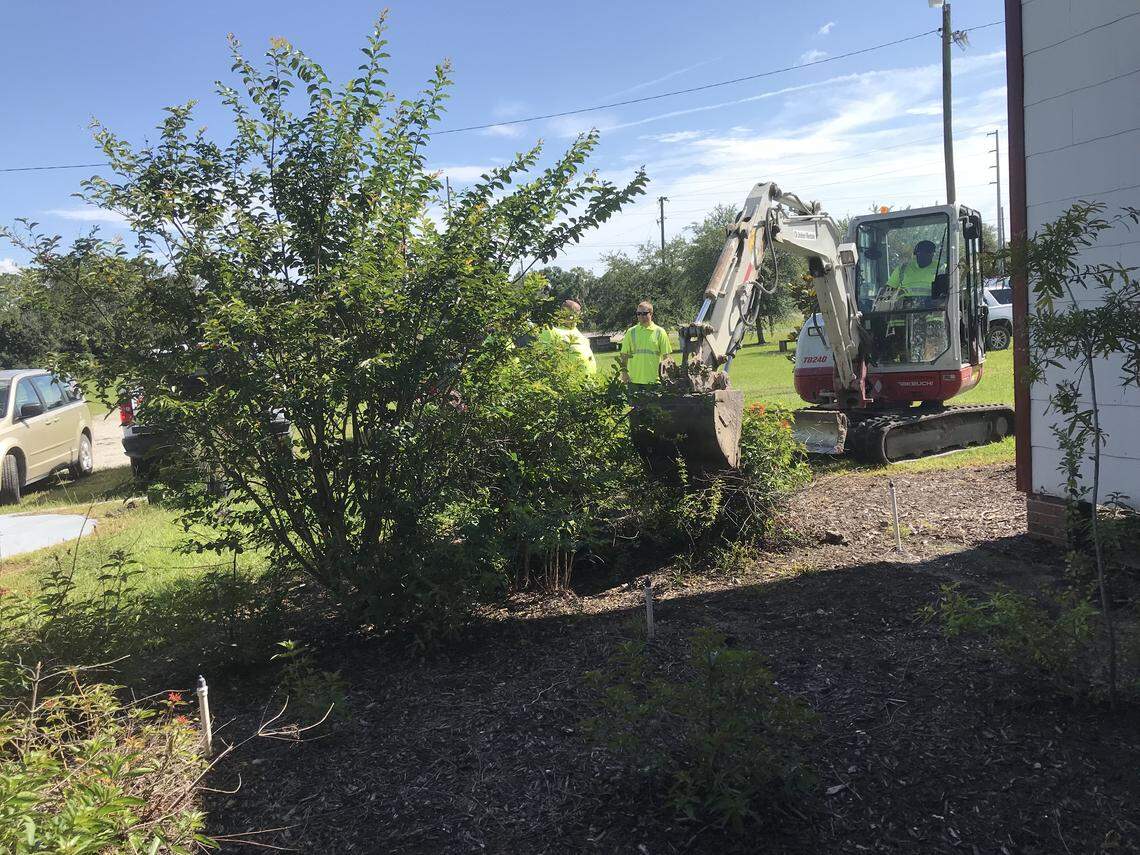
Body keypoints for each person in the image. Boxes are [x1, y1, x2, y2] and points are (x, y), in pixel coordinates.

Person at [536, 299, 597, 375]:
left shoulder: (577, 332)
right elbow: (541, 357)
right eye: (571, 313)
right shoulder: (550, 330)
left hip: (589, 381)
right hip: (567, 381)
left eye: (577, 314)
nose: (574, 317)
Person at [619, 301, 672, 387]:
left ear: (651, 314)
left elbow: (666, 358)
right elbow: (624, 355)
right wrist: (624, 373)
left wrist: (666, 376)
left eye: (644, 313)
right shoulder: (631, 332)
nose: (640, 316)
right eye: (638, 313)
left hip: (655, 381)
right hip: (633, 381)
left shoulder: (660, 332)